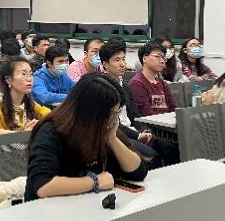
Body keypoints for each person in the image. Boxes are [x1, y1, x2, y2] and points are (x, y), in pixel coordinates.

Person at [25, 73, 148, 201]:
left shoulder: (104, 129)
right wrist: (95, 182)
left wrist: (112, 139)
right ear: (92, 113)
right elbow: (43, 185)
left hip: (88, 205)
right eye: (113, 113)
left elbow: (139, 172)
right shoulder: (51, 131)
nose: (115, 119)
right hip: (50, 208)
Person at [101, 41, 166, 167]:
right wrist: (138, 136)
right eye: (117, 60)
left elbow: (135, 115)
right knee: (152, 157)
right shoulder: (103, 88)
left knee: (166, 146)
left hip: (133, 131)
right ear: (105, 64)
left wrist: (145, 130)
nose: (122, 64)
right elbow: (113, 124)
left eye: (123, 59)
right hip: (116, 136)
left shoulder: (125, 86)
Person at [0, 56, 50, 134]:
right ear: (8, 80)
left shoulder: (29, 103)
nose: (29, 79)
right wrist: (23, 134)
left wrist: (40, 124)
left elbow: (51, 116)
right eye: (23, 74)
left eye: (31, 74)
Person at [128, 42, 176, 117]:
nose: (162, 61)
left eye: (163, 58)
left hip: (168, 122)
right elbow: (146, 113)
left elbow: (173, 108)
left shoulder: (163, 83)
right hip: (151, 123)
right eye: (158, 56)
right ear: (145, 59)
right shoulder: (136, 83)